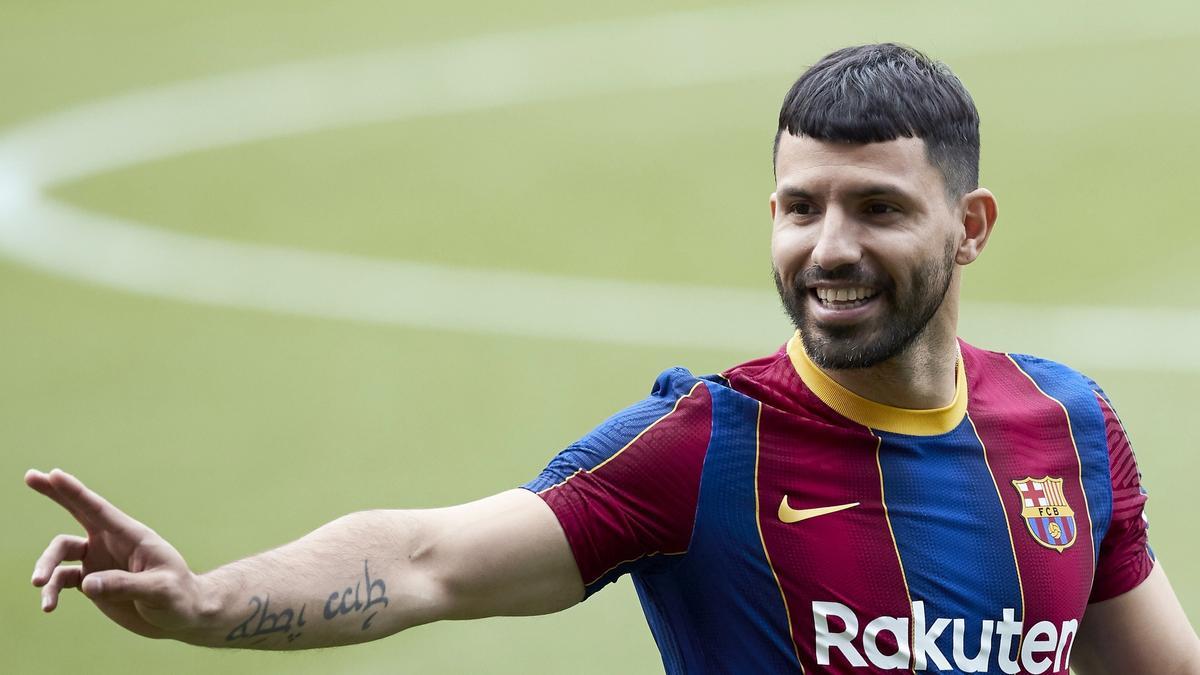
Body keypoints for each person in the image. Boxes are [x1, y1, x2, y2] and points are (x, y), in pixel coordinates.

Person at [26, 43, 1199, 674]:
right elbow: (428, 557)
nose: (827, 250)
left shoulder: (1069, 427)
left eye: (877, 210)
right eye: (800, 208)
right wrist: (211, 601)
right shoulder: (703, 448)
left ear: (970, 226)